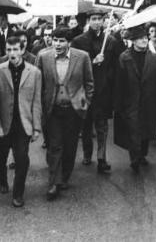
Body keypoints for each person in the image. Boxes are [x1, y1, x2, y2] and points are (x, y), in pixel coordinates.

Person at [36, 27, 94, 200]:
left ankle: (65, 176)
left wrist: (85, 103)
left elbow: (89, 83)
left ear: (69, 42)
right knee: (55, 146)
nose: (57, 44)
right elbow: (38, 83)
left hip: (74, 110)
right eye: (55, 40)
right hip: (52, 110)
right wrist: (39, 107)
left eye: (61, 41)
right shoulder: (43, 57)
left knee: (70, 147)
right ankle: (53, 183)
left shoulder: (82, 57)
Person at [114, 25, 156, 173]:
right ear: (133, 41)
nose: (144, 40)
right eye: (140, 39)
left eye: (146, 38)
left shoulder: (155, 59)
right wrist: (118, 103)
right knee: (133, 129)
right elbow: (118, 82)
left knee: (146, 129)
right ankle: (134, 158)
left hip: (149, 99)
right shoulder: (124, 58)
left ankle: (142, 154)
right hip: (130, 100)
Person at [0, 37, 42, 207]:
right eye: (8, 50)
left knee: (22, 158)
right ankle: (2, 178)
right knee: (0, 156)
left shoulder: (34, 72)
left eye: (15, 49)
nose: (12, 53)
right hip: (3, 122)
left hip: (23, 123)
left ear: (22, 50)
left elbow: (36, 101)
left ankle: (18, 193)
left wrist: (37, 127)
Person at [70, 8, 118, 173]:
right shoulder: (78, 41)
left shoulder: (110, 41)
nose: (97, 22)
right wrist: (92, 61)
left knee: (102, 126)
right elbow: (75, 67)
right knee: (86, 124)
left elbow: (115, 66)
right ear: (88, 21)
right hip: (85, 90)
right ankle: (87, 153)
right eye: (94, 19)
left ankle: (101, 158)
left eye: (100, 19)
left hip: (104, 90)